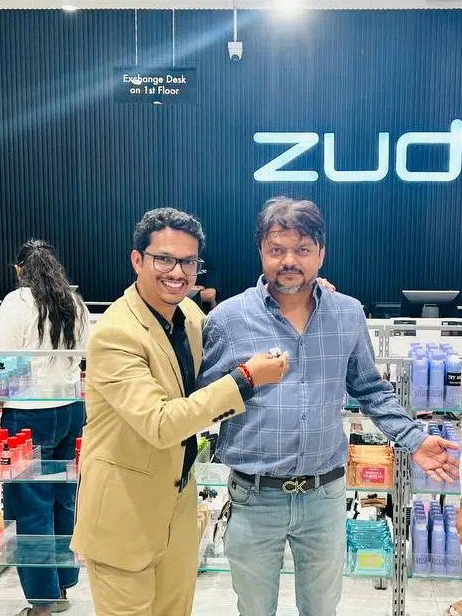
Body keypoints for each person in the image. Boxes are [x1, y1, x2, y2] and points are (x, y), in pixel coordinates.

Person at [198, 197, 459, 616]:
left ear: (321, 253)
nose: (289, 260)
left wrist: (415, 439)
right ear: (261, 251)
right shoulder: (228, 319)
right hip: (253, 496)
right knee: (254, 609)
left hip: (324, 497)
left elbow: (371, 389)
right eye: (277, 249)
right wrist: (245, 379)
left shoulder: (347, 314)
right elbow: (203, 403)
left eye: (302, 249)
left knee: (322, 609)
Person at [70, 207, 288, 616]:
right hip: (124, 515)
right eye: (164, 259)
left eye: (188, 262)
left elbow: (238, 328)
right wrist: (245, 379)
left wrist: (299, 295)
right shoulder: (117, 333)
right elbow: (160, 423)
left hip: (178, 505)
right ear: (137, 260)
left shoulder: (187, 315)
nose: (177, 272)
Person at [0, 239, 89, 616]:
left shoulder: (16, 303)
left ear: (19, 270)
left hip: (28, 413)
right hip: (71, 410)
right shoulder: (74, 302)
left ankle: (42, 603)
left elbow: (5, 365)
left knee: (30, 506)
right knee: (64, 498)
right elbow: (83, 359)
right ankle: (62, 586)